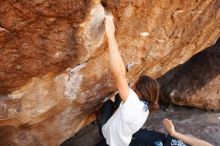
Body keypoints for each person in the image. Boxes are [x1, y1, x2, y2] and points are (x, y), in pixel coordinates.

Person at [96, 12, 160, 146]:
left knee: (108, 103)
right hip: (123, 140)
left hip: (109, 137)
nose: (131, 83)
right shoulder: (145, 108)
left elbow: (119, 74)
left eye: (134, 83)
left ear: (139, 91)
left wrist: (110, 35)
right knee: (118, 96)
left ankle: (105, 110)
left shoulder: (133, 104)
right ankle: (113, 104)